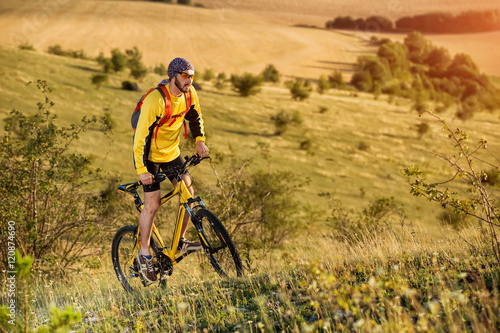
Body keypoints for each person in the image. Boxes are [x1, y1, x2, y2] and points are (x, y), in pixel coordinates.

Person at [133, 57, 209, 284]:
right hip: (150, 157)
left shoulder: (189, 93)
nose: (190, 80)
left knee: (187, 190)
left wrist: (199, 140)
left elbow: (195, 116)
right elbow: (140, 138)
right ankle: (144, 253)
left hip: (171, 153)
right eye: (185, 75)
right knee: (152, 204)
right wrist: (142, 170)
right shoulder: (156, 100)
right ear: (173, 75)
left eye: (192, 76)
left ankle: (182, 239)